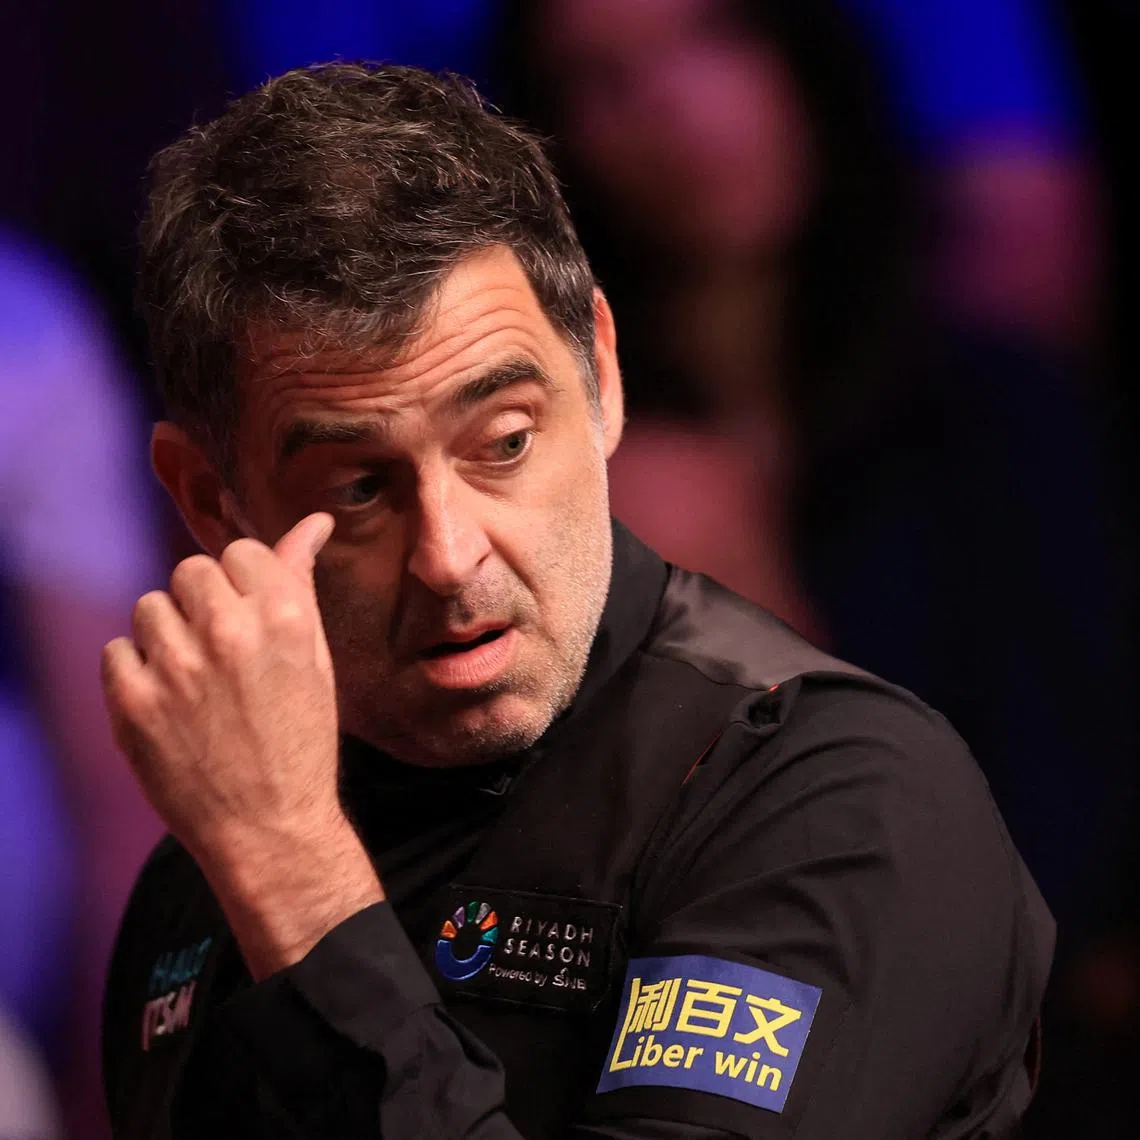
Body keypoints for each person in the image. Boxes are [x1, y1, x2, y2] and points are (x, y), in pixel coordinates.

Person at [100, 64, 1052, 1139]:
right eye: (361, 488)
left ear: (600, 374)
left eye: (504, 442)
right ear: (210, 500)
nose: (450, 557)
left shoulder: (833, 796)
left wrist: (293, 877)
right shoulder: (207, 874)